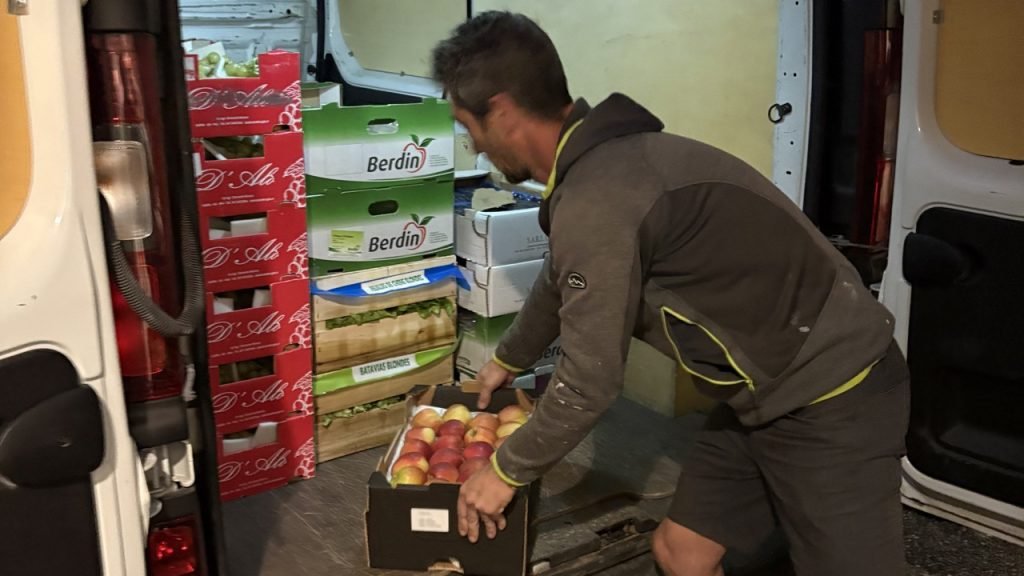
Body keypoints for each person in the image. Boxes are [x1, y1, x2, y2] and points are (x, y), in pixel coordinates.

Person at [432, 11, 910, 576]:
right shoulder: (600, 167)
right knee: (681, 553)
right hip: (761, 398)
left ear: (504, 112)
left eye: (470, 127)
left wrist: (506, 471)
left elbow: (590, 381)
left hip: (835, 395)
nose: (475, 147)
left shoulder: (600, 199)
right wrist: (508, 359)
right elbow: (563, 275)